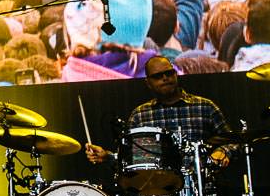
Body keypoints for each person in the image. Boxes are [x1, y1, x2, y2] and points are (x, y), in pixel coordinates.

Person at [83, 52, 226, 168]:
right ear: (148, 83)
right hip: (156, 189)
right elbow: (130, 159)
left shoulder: (204, 107)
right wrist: (106, 156)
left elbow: (233, 140)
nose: (165, 78)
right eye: (158, 76)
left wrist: (223, 151)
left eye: (169, 73)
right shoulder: (140, 116)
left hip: (201, 187)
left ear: (176, 74)